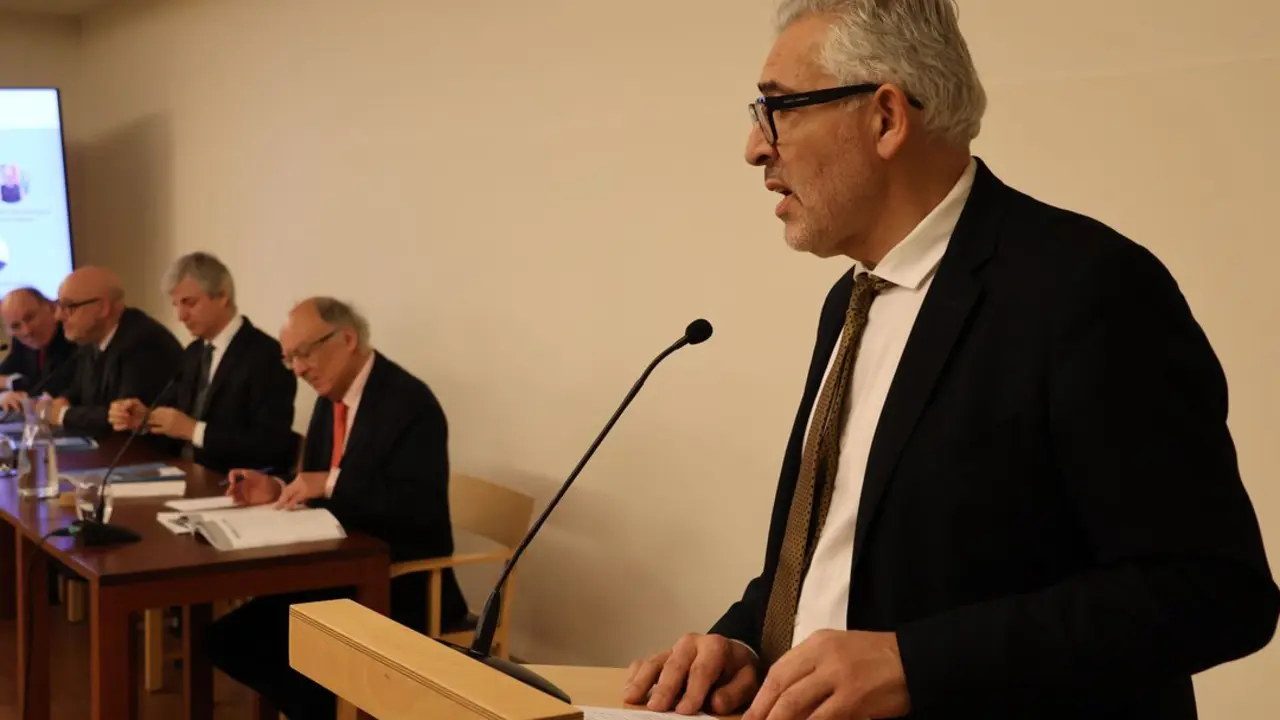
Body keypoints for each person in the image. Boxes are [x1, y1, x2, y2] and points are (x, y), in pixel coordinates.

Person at [623, 2, 1279, 719]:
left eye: (778, 110)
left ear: (885, 119)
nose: (755, 146)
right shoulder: (851, 299)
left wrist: (917, 664)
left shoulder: (1087, 290)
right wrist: (746, 646)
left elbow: (1212, 592)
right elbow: (843, 557)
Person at [206, 296, 467, 720]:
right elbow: (316, 482)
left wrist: (328, 482)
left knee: (269, 647)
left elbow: (416, 508)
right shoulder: (331, 399)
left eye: (303, 353)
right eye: (289, 358)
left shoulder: (409, 403)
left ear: (347, 339)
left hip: (398, 580)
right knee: (227, 639)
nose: (297, 369)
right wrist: (274, 488)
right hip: (336, 569)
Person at [108, 252, 298, 473]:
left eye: (189, 303)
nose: (181, 316)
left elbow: (271, 444)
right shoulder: (194, 353)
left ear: (222, 296)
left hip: (232, 483)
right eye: (176, 305)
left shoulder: (266, 354)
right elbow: (174, 419)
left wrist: (194, 431)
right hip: (184, 474)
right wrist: (144, 420)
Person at [49, 266, 184, 436]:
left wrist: (63, 415)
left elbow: (122, 419)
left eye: (68, 306)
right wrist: (64, 399)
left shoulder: (144, 342)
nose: (58, 316)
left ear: (103, 308)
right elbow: (81, 392)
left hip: (150, 456)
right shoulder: (91, 340)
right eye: (58, 306)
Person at [0, 287, 77, 411]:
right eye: (15, 326)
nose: (26, 331)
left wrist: (10, 384)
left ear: (51, 308)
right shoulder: (20, 341)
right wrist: (3, 396)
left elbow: (47, 389)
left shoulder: (73, 337)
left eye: (30, 318)